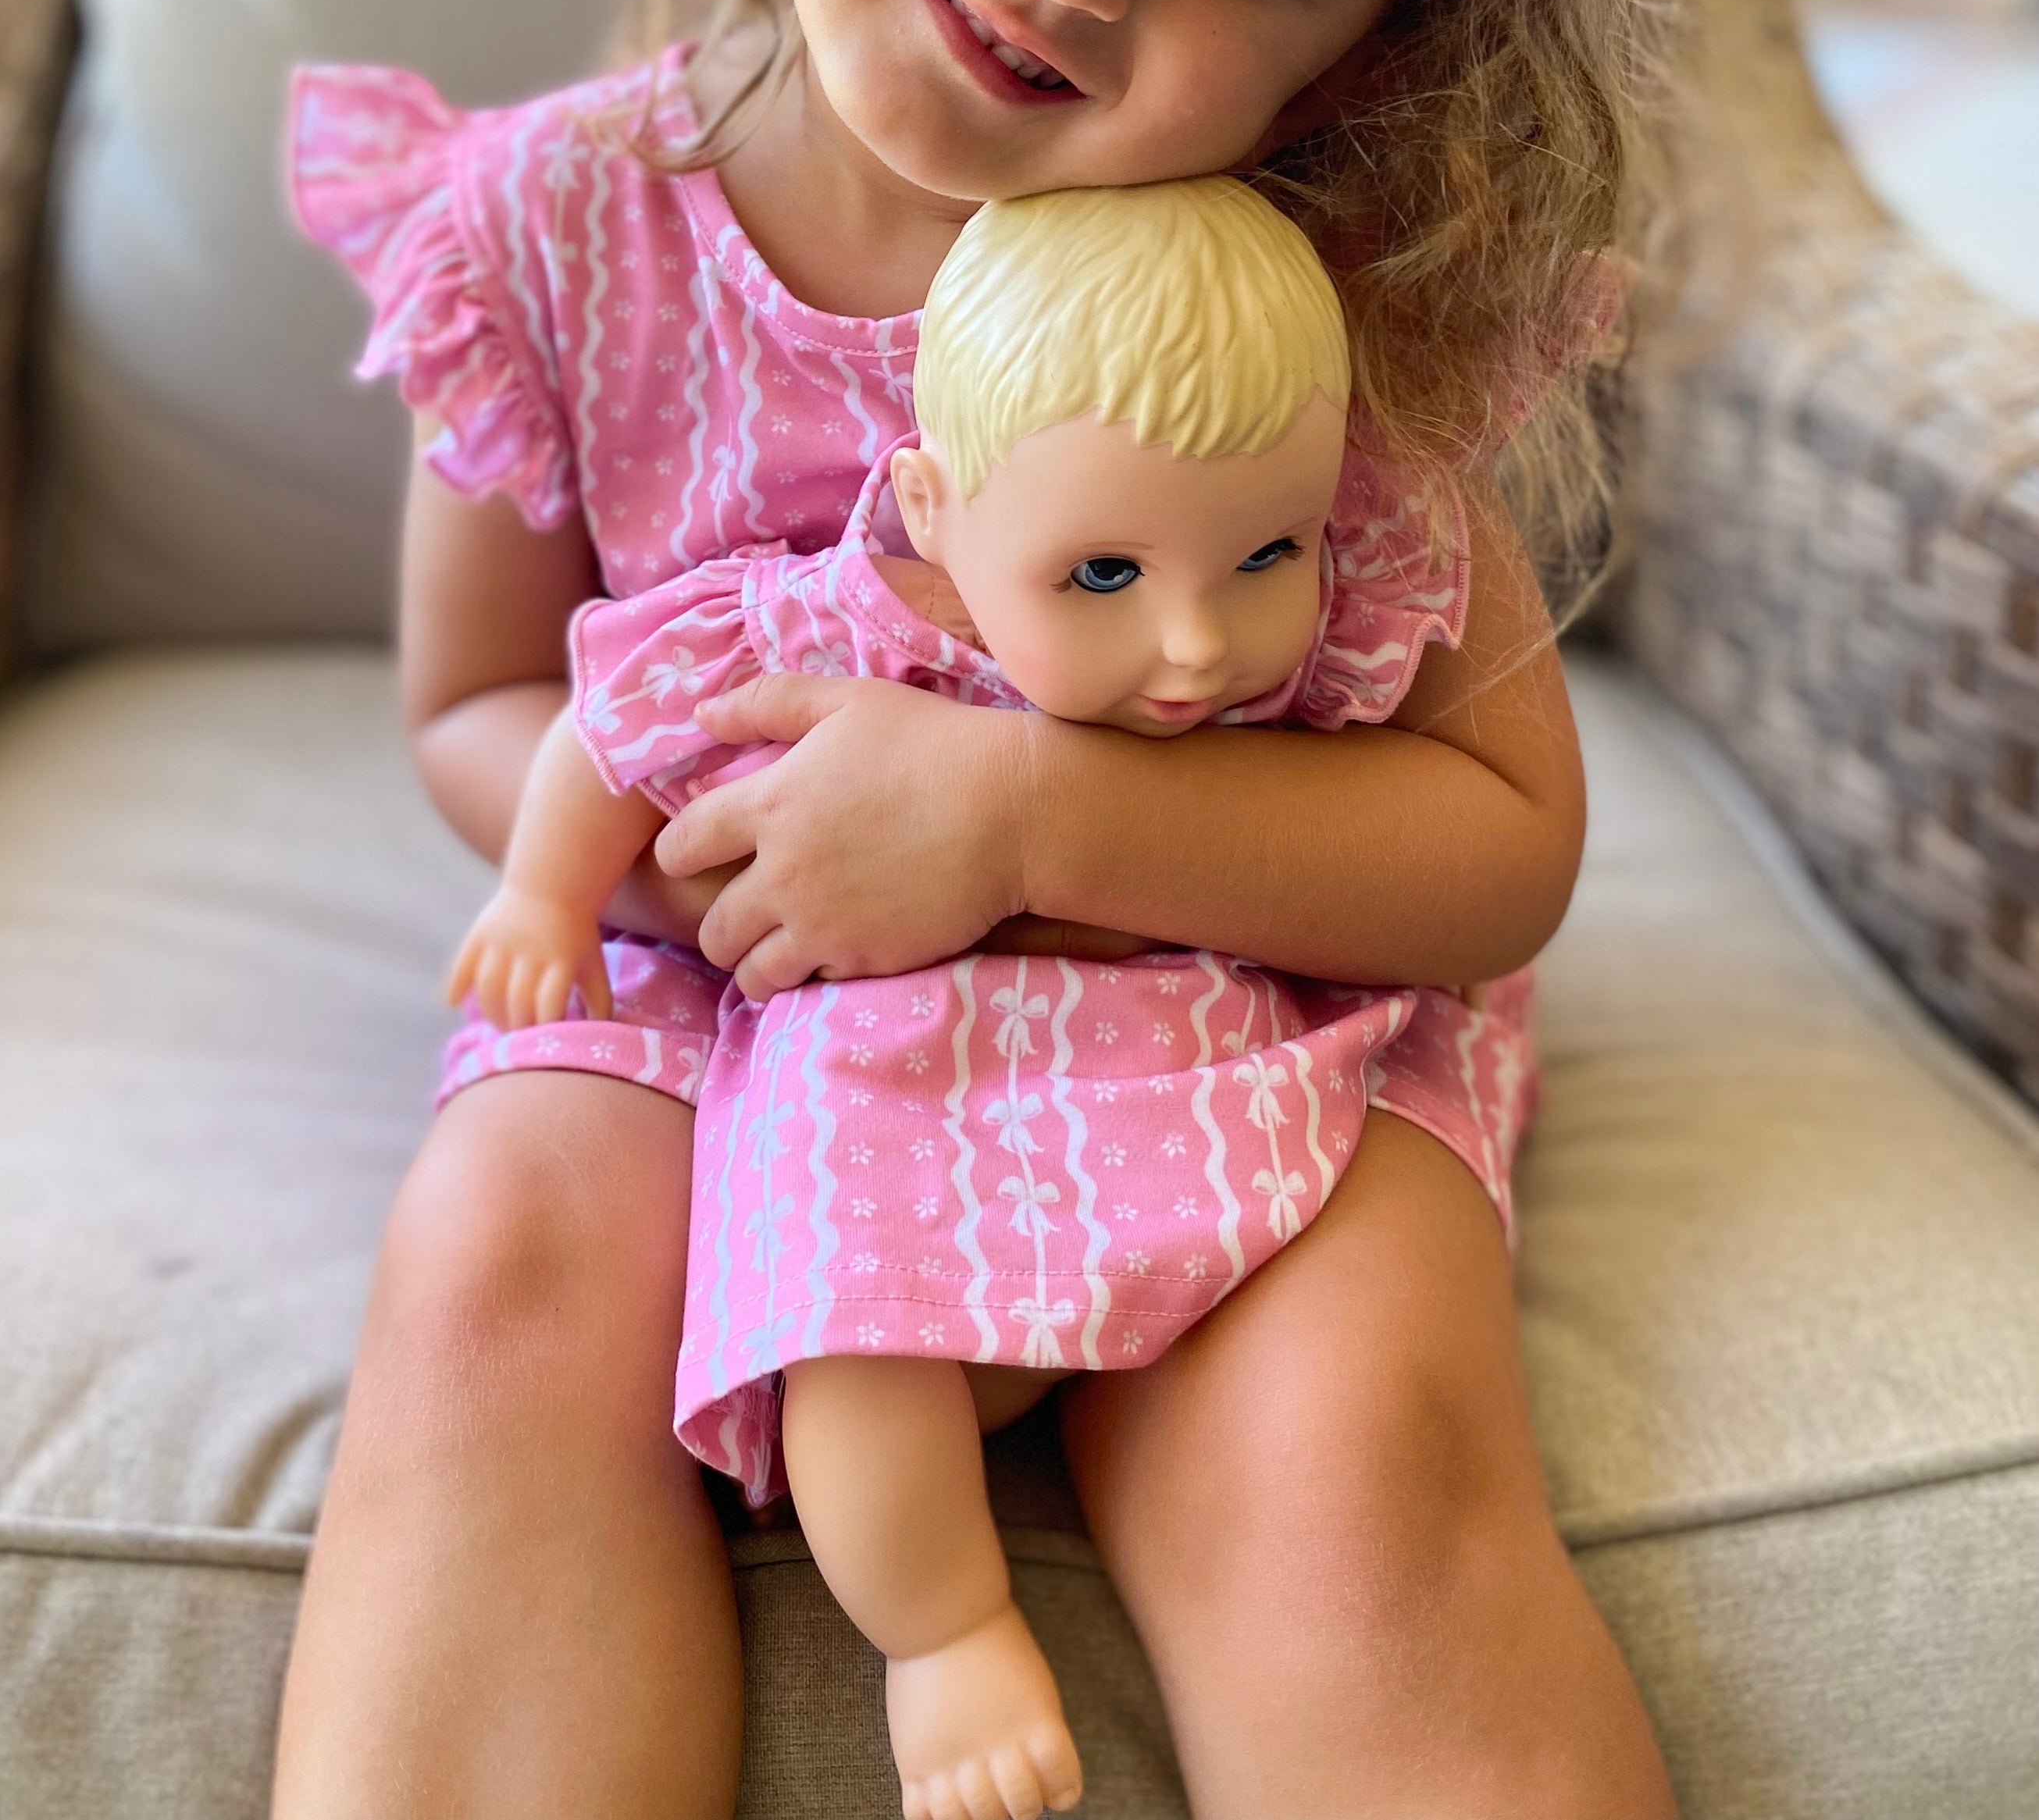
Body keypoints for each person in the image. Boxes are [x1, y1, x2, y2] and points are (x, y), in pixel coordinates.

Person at [277, 0, 1681, 1820]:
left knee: (1350, 1434)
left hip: (1229, 986)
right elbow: (475, 691)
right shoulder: (569, 222)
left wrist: (1030, 812)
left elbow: (1497, 843)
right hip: (735, 969)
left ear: (1350, 59)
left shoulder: (1312, 312)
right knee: (500, 1256)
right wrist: (729, 860)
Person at [447, 174, 1472, 1820]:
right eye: (1102, 576)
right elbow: (615, 720)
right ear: (934, 510)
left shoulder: (1322, 625)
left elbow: (1447, 819)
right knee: (851, 1321)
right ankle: (941, 1629)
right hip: (893, 1064)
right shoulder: (841, 622)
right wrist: (542, 893)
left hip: (1183, 1044)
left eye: (1265, 552)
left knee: (1322, 1382)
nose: (1198, 645)